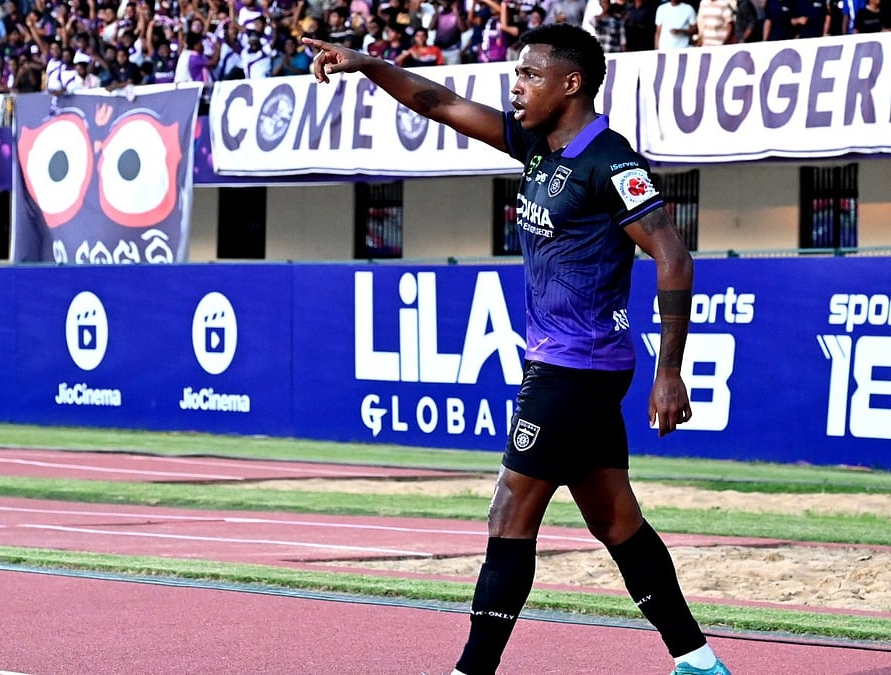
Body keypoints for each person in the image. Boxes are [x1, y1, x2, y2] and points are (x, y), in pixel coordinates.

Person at [304, 23, 731, 675]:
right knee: (615, 519)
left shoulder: (610, 161)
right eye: (517, 73)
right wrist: (369, 63)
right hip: (572, 368)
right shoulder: (534, 144)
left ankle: (471, 671)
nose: (517, 83)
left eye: (530, 74)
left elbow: (672, 253)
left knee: (509, 513)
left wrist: (669, 371)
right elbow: (436, 103)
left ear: (572, 83)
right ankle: (697, 660)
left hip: (574, 370)